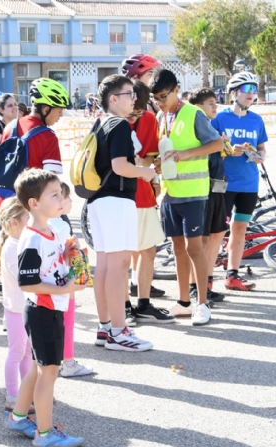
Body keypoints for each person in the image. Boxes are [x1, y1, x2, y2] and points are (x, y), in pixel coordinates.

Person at [5, 168, 86, 447]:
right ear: (34, 204)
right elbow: (27, 283)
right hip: (42, 310)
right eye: (54, 194)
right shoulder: (34, 238)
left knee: (41, 369)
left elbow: (47, 267)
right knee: (49, 371)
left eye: (60, 193)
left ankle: (18, 417)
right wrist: (65, 289)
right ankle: (45, 433)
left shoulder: (49, 231)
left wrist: (65, 255)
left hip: (48, 309)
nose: (61, 197)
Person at [87, 75, 156, 350]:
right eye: (129, 94)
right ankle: (118, 331)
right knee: (118, 266)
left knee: (104, 266)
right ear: (113, 99)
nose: (134, 98)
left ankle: (106, 328)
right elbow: (120, 166)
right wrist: (146, 173)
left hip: (98, 200)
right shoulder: (119, 125)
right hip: (117, 199)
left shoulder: (100, 123)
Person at [150, 69, 222, 326]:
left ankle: (202, 303)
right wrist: (159, 164)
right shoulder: (161, 116)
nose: (159, 102)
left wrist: (188, 153)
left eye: (162, 96)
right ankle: (183, 302)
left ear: (176, 90)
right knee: (178, 248)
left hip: (194, 194)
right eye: (155, 98)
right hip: (170, 193)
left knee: (194, 248)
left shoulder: (194, 113)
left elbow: (217, 144)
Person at [210, 72, 268, 291]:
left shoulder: (256, 120)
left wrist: (261, 156)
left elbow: (262, 146)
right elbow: (210, 150)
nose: (251, 94)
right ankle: (206, 280)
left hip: (249, 184)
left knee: (240, 229)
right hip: (224, 184)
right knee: (217, 232)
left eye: (254, 89)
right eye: (246, 89)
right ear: (233, 93)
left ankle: (232, 275)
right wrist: (227, 151)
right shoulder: (219, 118)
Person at [123, 80, 173, 324]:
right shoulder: (111, 121)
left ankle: (143, 303)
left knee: (148, 250)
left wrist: (153, 165)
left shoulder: (150, 121)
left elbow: (151, 157)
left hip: (143, 195)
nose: (134, 117)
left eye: (139, 112)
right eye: (131, 112)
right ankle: (123, 306)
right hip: (118, 198)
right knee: (122, 253)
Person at [188, 88, 229, 304]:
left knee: (217, 233)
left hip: (216, 187)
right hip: (202, 188)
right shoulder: (196, 124)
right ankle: (195, 287)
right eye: (210, 103)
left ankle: (205, 283)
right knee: (201, 241)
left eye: (216, 103)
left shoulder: (211, 128)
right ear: (197, 106)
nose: (215, 107)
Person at [0, 197, 32, 410]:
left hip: (22, 307)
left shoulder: (19, 243)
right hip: (16, 309)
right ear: (14, 223)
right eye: (28, 217)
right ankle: (13, 395)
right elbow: (23, 278)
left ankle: (27, 391)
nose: (31, 220)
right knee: (17, 352)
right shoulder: (12, 247)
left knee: (26, 352)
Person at [50, 183, 94, 377]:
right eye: (66, 198)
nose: (69, 201)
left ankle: (56, 361)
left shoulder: (45, 224)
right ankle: (68, 362)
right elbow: (65, 257)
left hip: (49, 282)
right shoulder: (60, 225)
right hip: (65, 282)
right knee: (67, 321)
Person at [0, 78, 67, 175]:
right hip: (34, 190)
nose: (61, 116)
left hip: (8, 189)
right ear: (46, 110)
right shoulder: (48, 136)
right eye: (60, 111)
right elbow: (50, 180)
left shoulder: (10, 127)